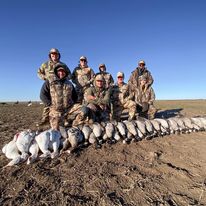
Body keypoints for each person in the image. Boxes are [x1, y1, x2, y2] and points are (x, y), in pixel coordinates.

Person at [37, 48, 71, 125]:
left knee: (63, 102)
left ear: (58, 55)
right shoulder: (45, 64)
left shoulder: (63, 65)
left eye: (56, 54)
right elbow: (39, 72)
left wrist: (64, 79)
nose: (54, 56)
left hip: (60, 86)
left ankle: (64, 118)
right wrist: (45, 78)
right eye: (53, 54)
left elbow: (69, 74)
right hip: (49, 85)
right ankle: (45, 119)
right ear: (50, 55)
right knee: (47, 102)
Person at [39, 64, 78, 130]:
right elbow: (42, 95)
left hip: (68, 109)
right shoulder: (50, 81)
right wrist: (50, 104)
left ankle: (74, 124)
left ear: (65, 73)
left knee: (84, 110)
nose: (61, 73)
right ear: (56, 72)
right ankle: (56, 121)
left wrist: (73, 104)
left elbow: (75, 96)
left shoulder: (69, 83)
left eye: (63, 71)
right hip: (56, 110)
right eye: (59, 71)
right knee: (56, 129)